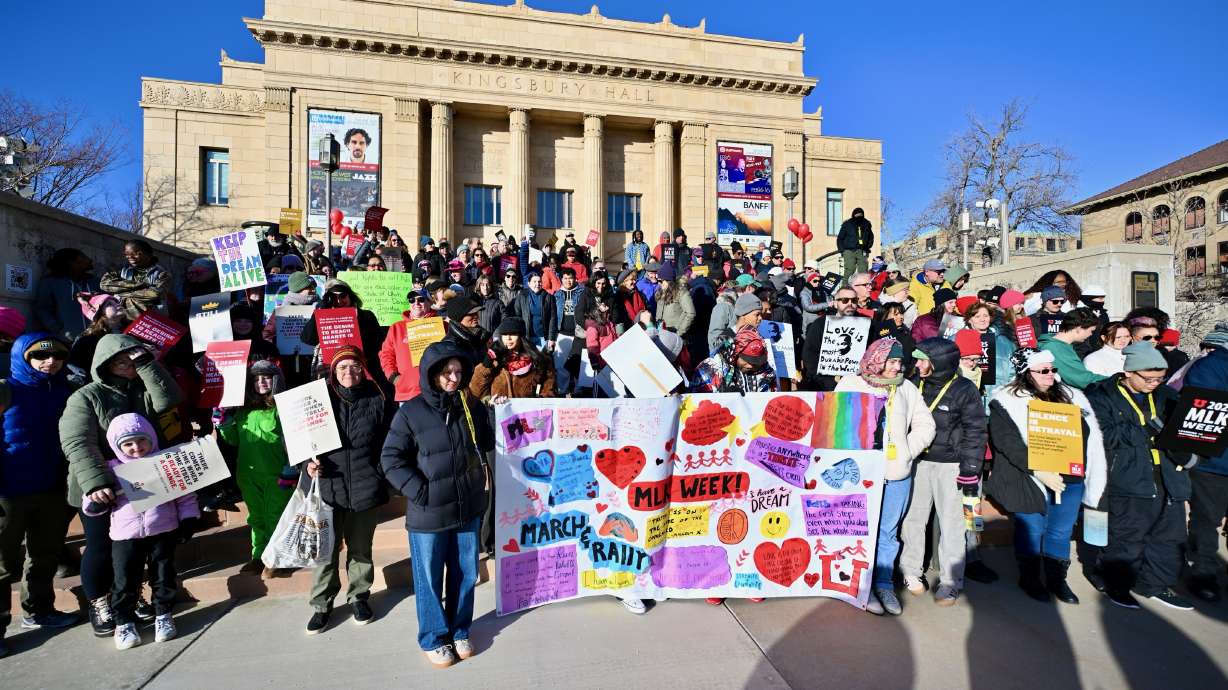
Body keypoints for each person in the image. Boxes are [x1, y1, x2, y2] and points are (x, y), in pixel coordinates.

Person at [58, 334, 183, 636]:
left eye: (132, 360)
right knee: (101, 548)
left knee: (133, 550)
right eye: (120, 361)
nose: (127, 366)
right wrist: (96, 482)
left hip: (141, 481)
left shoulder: (144, 387)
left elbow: (169, 400)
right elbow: (77, 442)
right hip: (100, 486)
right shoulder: (86, 396)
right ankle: (99, 603)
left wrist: (147, 365)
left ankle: (126, 598)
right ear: (104, 364)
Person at [380, 341, 493, 668]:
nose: (454, 378)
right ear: (432, 374)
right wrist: (421, 492)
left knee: (465, 573)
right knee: (429, 578)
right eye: (447, 372)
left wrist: (486, 411)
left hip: (467, 508)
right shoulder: (412, 412)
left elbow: (483, 443)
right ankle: (433, 636)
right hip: (428, 514)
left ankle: (460, 630)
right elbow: (390, 459)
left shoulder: (468, 407)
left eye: (458, 372)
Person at [985, 348, 1106, 603]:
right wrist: (1039, 468)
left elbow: (1088, 435)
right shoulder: (1006, 400)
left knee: (1060, 531)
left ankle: (1056, 580)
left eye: (1052, 370)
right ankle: (1029, 578)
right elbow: (1007, 442)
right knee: (1032, 528)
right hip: (1027, 476)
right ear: (1025, 373)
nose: (1050, 375)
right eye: (1043, 371)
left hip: (1069, 475)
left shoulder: (1072, 397)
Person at [1087, 343, 1192, 610]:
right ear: (1129, 372)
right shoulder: (1102, 395)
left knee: (1169, 536)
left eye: (1159, 378)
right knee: (1128, 537)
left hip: (1168, 475)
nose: (1154, 383)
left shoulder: (1167, 395)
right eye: (1148, 378)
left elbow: (1184, 432)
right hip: (1128, 475)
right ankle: (1116, 583)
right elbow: (1103, 434)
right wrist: (1149, 428)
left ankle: (1154, 584)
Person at [836, 338, 936, 615]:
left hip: (895, 472)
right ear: (877, 360)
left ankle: (883, 583)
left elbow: (925, 424)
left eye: (900, 362)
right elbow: (834, 421)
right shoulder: (850, 384)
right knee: (856, 529)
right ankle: (855, 586)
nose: (897, 367)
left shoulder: (906, 388)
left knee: (888, 532)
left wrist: (907, 451)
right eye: (892, 361)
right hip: (858, 472)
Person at [84, 413, 198, 649]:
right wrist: (96, 500)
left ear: (151, 439)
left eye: (141, 441)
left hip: (163, 529)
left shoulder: (164, 463)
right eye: (128, 444)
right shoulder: (111, 470)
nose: (136, 448)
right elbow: (90, 503)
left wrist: (188, 519)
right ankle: (124, 622)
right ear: (118, 446)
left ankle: (163, 614)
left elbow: (185, 495)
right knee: (125, 579)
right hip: (126, 535)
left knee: (163, 575)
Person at [302, 347, 395, 633]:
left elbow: (389, 440)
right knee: (326, 552)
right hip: (329, 487)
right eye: (342, 367)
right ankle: (321, 604)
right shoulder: (319, 400)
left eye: (354, 366)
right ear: (333, 371)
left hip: (366, 485)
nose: (348, 373)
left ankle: (359, 596)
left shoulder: (377, 397)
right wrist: (307, 464)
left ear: (362, 368)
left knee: (360, 549)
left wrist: (381, 473)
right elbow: (298, 438)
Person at [0, 334, 79, 655]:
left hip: (50, 486)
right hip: (8, 491)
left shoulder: (65, 389)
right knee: (3, 564)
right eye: (41, 357)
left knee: (44, 553)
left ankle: (39, 610)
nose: (51, 362)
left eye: (58, 356)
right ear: (24, 358)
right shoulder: (6, 388)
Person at [899, 337, 986, 606]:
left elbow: (976, 430)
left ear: (939, 363)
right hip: (918, 461)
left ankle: (950, 581)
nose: (917, 364)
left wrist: (971, 467)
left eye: (923, 359)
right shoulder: (913, 384)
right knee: (913, 519)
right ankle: (911, 571)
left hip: (952, 466)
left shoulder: (964, 389)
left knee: (953, 524)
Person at [216, 360, 296, 577]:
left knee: (275, 515)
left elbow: (295, 439)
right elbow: (233, 441)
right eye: (256, 379)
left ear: (276, 379)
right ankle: (258, 556)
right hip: (248, 474)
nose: (261, 382)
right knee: (257, 517)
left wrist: (291, 468)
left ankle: (277, 557)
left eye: (266, 377)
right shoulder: (243, 411)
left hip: (276, 474)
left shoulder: (282, 408)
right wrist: (223, 423)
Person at [1182, 326, 1228, 602]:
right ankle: (1204, 573)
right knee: (1207, 520)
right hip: (1216, 461)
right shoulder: (1210, 367)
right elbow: (1201, 405)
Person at [470, 317, 557, 402]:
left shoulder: (536, 360)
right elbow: (476, 392)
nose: (508, 338)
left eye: (512, 334)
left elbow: (548, 388)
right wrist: (486, 365)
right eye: (504, 334)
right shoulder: (496, 360)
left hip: (526, 413)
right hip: (500, 412)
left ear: (521, 336)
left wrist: (539, 402)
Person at [381, 288, 438, 402]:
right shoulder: (396, 328)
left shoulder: (442, 325)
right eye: (412, 300)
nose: (416, 303)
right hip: (408, 393)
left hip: (437, 390)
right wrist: (394, 377)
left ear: (429, 302)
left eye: (421, 299)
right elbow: (386, 355)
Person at [801, 286, 861, 391]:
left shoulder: (866, 325)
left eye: (854, 300)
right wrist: (829, 380)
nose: (850, 304)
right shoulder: (820, 324)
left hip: (857, 384)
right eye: (845, 300)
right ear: (836, 302)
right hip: (826, 386)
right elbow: (809, 355)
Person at [34, 248, 99, 342]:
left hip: (95, 340)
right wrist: (59, 330)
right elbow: (43, 309)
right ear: (72, 263)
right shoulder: (51, 283)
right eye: (83, 257)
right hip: (67, 342)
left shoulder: (95, 282)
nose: (89, 260)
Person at [99, 239, 173, 319]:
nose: (130, 257)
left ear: (148, 254)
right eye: (127, 254)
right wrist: (140, 286)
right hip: (121, 318)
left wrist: (121, 293)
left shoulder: (162, 274)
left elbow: (155, 294)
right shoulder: (122, 270)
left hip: (150, 320)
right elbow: (104, 284)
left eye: (136, 254)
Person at [1038, 307, 1108, 390]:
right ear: (1079, 329)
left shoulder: (1056, 344)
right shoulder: (1056, 349)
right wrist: (1116, 380)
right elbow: (1082, 379)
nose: (1091, 335)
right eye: (1091, 331)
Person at [69, 294, 130, 378]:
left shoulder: (134, 327)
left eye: (116, 301)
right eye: (109, 304)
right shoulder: (87, 339)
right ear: (100, 313)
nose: (117, 304)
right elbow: (76, 366)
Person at [511, 271, 557, 352]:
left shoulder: (549, 297)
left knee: (542, 361)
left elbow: (553, 319)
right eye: (534, 281)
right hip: (527, 337)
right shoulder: (522, 296)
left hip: (543, 337)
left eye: (539, 282)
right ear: (529, 283)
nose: (537, 284)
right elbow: (517, 316)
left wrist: (551, 338)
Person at [442, 295, 489, 366]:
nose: (476, 316)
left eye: (476, 313)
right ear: (459, 317)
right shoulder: (450, 345)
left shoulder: (480, 336)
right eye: (471, 314)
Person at [654, 263, 696, 337]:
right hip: (662, 333)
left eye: (661, 281)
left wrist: (679, 332)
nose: (659, 283)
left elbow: (690, 313)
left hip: (675, 335)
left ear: (669, 280)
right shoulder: (660, 292)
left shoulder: (681, 292)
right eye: (658, 281)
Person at [837, 207, 874, 279]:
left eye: (860, 215)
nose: (858, 216)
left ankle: (862, 288)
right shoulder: (847, 224)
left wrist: (867, 247)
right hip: (849, 250)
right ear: (853, 215)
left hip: (862, 250)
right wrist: (842, 250)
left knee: (863, 271)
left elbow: (871, 236)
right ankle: (845, 288)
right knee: (849, 270)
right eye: (857, 214)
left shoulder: (867, 224)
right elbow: (840, 238)